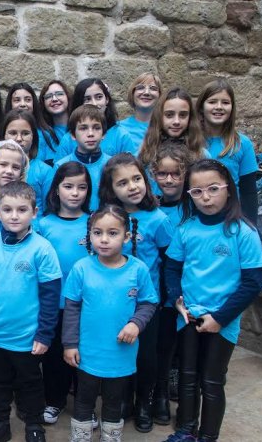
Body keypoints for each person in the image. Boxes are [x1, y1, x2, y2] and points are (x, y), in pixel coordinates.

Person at [164, 159, 262, 442]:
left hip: (223, 320)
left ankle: (208, 435)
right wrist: (176, 301)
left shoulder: (242, 232)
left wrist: (220, 318)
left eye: (213, 189)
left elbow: (252, 283)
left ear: (229, 190)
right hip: (188, 316)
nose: (205, 197)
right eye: (197, 192)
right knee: (187, 375)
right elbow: (172, 268)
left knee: (212, 380)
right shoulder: (186, 229)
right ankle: (186, 429)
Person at [0, 181, 61, 442]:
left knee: (30, 382)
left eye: (21, 210)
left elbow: (50, 297)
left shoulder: (43, 249)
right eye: (7, 210)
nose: (14, 216)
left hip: (27, 336)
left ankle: (34, 425)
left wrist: (44, 334)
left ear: (34, 212)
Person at [63, 205, 158, 442]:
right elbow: (72, 308)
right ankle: (81, 437)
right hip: (87, 352)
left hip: (120, 354)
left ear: (127, 237)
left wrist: (136, 324)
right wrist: (69, 344)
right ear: (90, 235)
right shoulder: (81, 268)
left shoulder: (138, 269)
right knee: (84, 400)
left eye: (112, 233)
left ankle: (111, 437)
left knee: (114, 402)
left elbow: (148, 303)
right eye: (97, 233)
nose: (104, 240)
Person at [98, 153, 174, 433]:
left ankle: (145, 402)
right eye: (122, 183)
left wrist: (167, 299)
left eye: (137, 179)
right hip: (115, 300)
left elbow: (169, 262)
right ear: (110, 189)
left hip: (147, 302)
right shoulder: (107, 217)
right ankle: (124, 400)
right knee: (121, 349)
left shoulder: (158, 219)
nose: (132, 186)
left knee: (146, 355)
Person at [35, 162, 91, 427]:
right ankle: (53, 401)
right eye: (68, 186)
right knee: (54, 356)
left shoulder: (94, 223)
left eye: (82, 187)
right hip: (52, 304)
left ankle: (85, 405)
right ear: (56, 189)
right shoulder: (44, 225)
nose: (75, 193)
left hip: (85, 305)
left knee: (83, 356)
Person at [149, 142, 196, 426]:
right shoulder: (151, 206)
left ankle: (166, 393)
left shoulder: (192, 208)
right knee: (159, 344)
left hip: (185, 284)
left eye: (175, 174)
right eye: (162, 174)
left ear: (185, 174)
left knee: (176, 345)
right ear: (153, 174)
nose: (168, 180)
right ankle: (156, 393)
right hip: (157, 285)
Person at [196, 79, 258, 223]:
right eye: (212, 102)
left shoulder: (242, 144)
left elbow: (248, 192)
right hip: (196, 219)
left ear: (232, 108)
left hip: (230, 218)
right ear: (201, 108)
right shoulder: (190, 142)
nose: (219, 107)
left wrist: (251, 225)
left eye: (225, 102)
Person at [137, 87, 208, 196]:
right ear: (159, 117)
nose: (176, 121)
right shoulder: (145, 153)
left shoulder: (201, 154)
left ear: (190, 118)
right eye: (169, 115)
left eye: (183, 115)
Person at [55, 79, 136, 161]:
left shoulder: (121, 135)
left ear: (106, 99)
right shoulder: (68, 139)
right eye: (87, 99)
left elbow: (131, 167)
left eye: (99, 97)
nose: (94, 103)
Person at [54, 105, 112, 210]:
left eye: (96, 128)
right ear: (73, 134)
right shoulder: (61, 166)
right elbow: (54, 202)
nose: (90, 134)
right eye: (83, 128)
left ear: (104, 134)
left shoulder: (112, 165)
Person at [3, 109, 54, 213]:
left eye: (25, 133)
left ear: (33, 136)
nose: (18, 138)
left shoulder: (45, 171)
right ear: (4, 135)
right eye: (12, 133)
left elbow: (49, 212)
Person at [5, 83, 58, 164]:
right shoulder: (2, 131)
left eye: (28, 99)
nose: (23, 104)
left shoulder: (46, 134)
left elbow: (51, 165)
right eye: (17, 100)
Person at [118, 73, 162, 148]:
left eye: (153, 88)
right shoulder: (118, 129)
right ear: (132, 93)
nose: (146, 92)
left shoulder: (167, 127)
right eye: (140, 88)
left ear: (160, 95)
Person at [39, 81, 71, 145]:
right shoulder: (41, 134)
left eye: (59, 94)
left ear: (68, 97)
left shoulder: (82, 128)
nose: (54, 99)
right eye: (48, 96)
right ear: (43, 103)